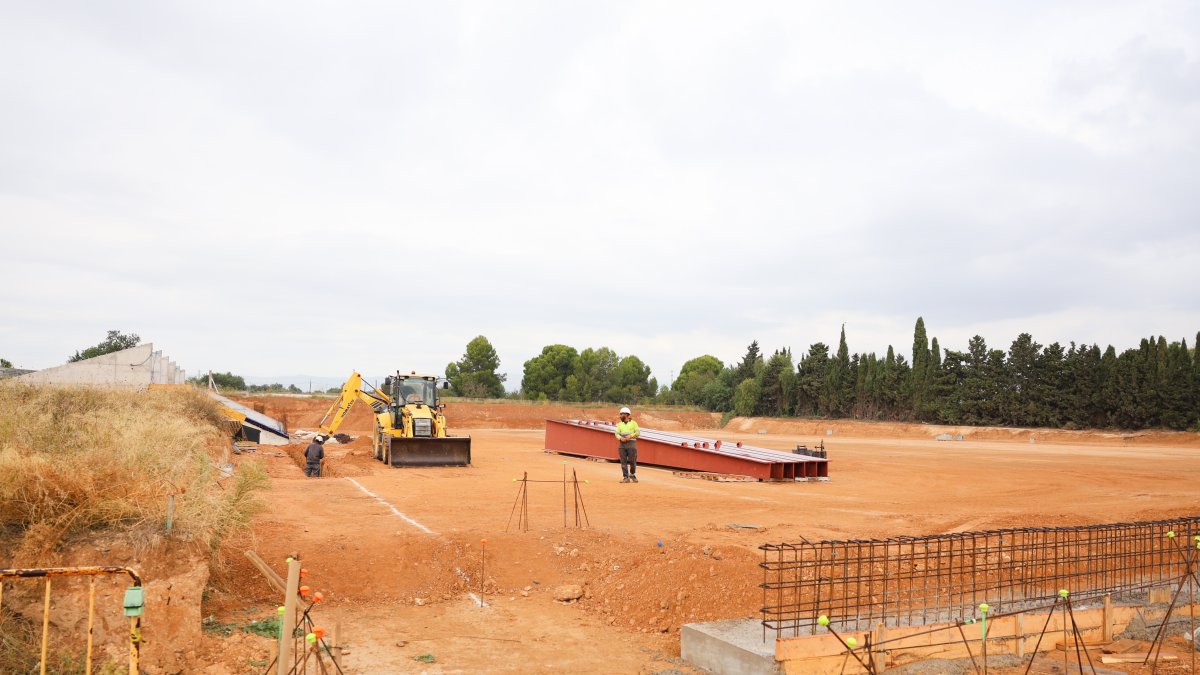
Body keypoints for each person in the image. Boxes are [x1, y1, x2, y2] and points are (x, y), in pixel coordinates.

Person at [614, 406, 640, 483]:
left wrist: (630, 436)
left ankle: (632, 474)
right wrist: (620, 438)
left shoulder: (634, 423)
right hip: (622, 445)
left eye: (622, 414)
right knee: (623, 461)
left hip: (631, 444)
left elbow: (638, 433)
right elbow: (616, 433)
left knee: (632, 461)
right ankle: (626, 477)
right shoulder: (619, 424)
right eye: (620, 414)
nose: (620, 416)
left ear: (627, 415)